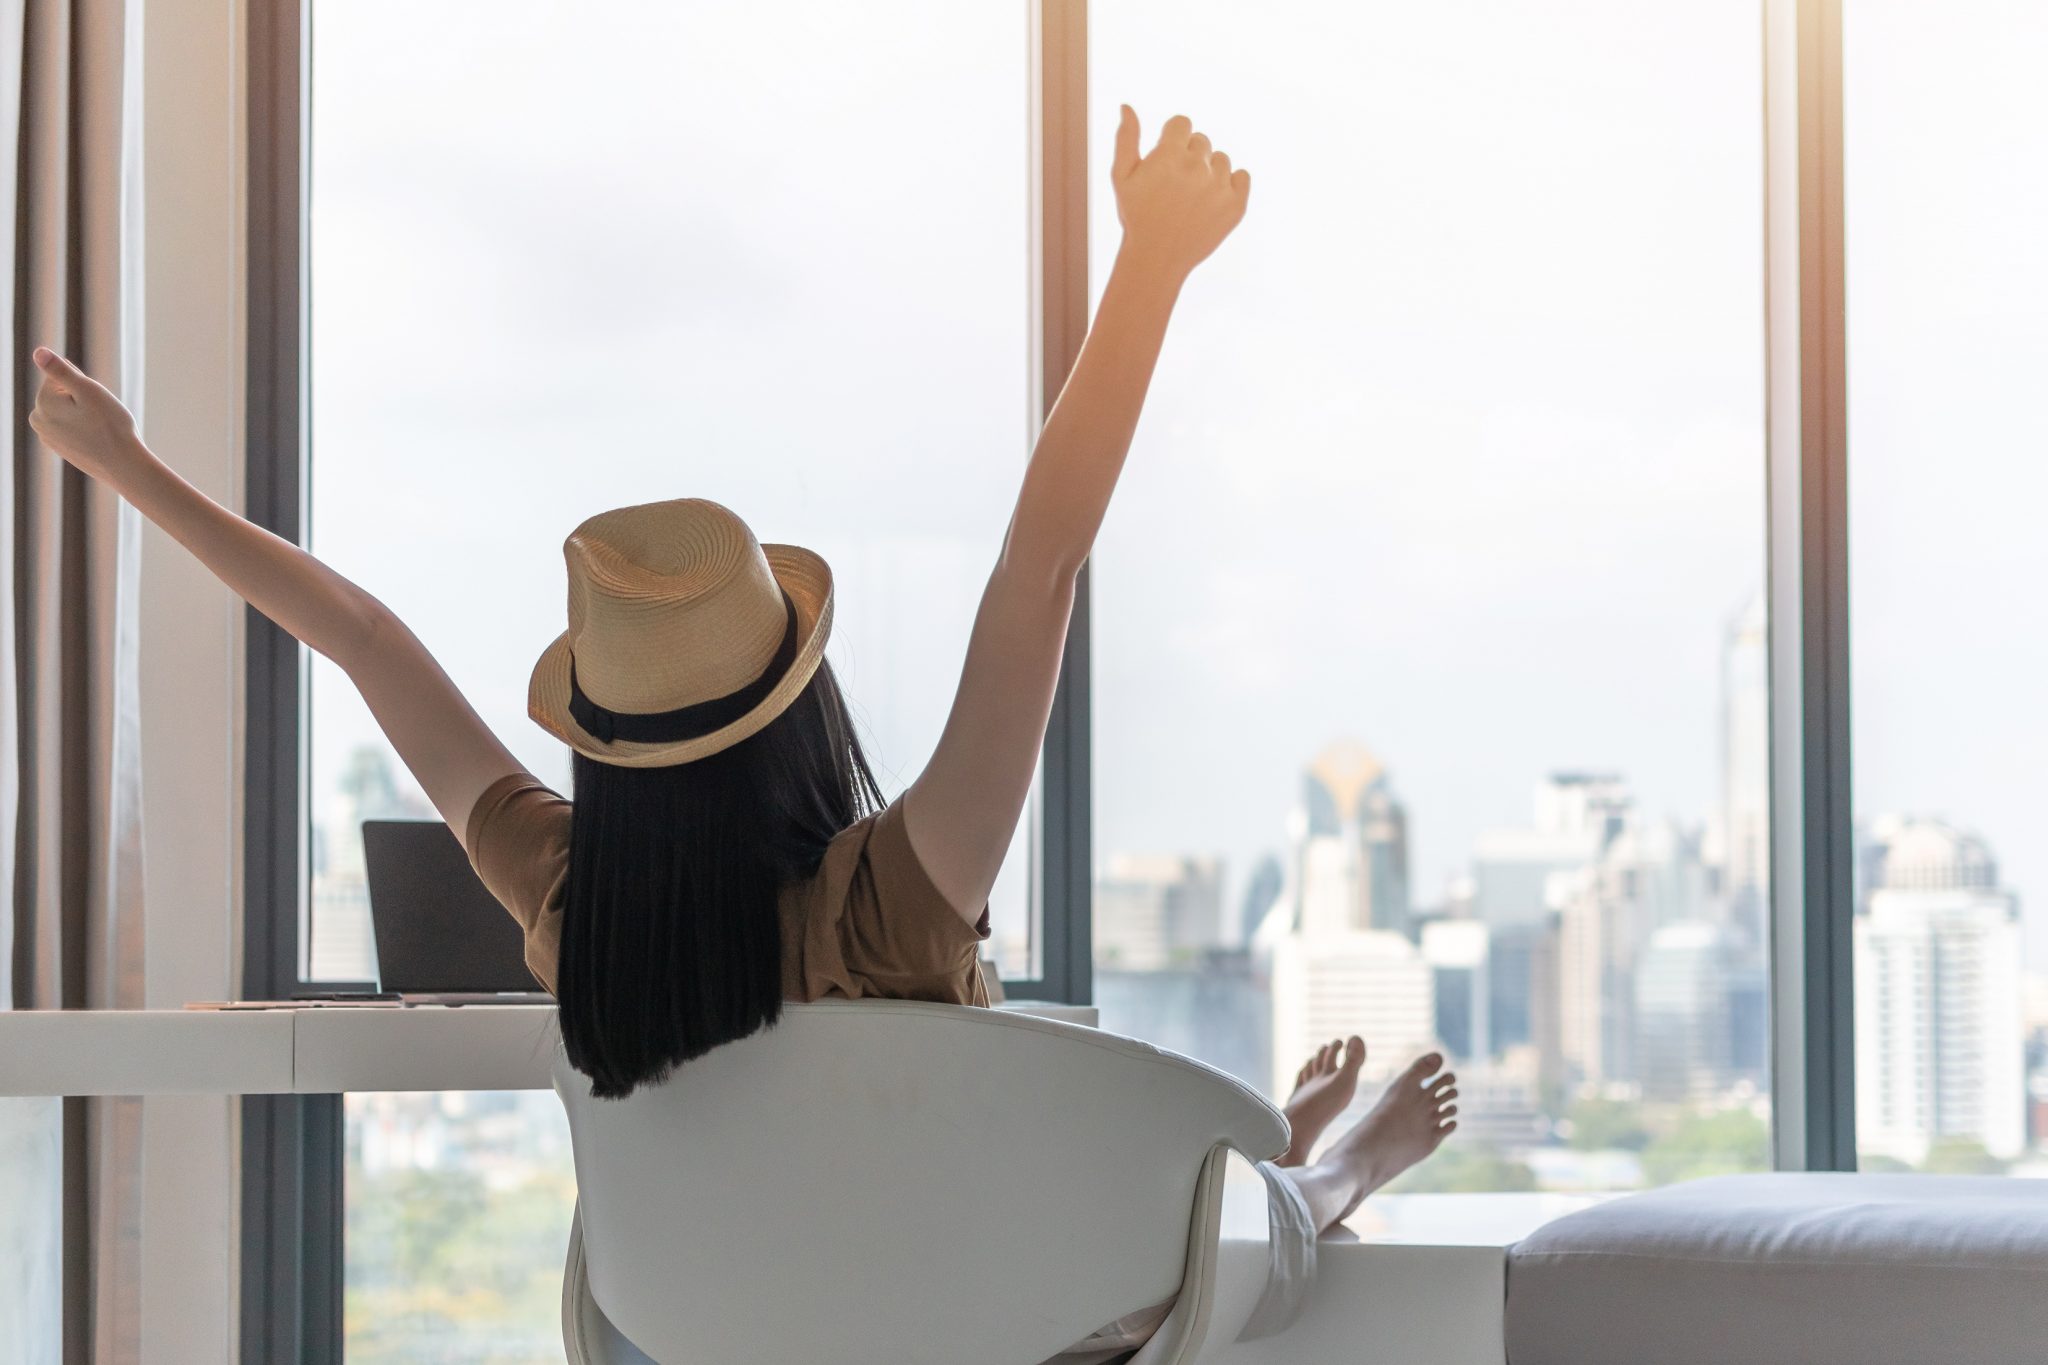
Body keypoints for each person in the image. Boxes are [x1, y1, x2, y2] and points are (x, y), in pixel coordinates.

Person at [28, 106, 1455, 1358]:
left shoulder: (574, 901)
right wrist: (1149, 265)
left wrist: (125, 464)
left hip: (706, 1340)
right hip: (982, 1331)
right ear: (799, 707)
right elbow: (1042, 567)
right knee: (1242, 1225)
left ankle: (1304, 1151)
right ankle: (1331, 1172)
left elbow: (360, 637)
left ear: (601, 743)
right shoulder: (895, 905)